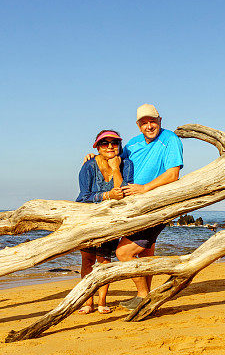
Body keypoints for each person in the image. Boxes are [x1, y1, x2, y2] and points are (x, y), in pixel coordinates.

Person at [116, 104, 183, 310]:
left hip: (157, 207)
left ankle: (143, 296)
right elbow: (115, 162)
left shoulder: (170, 139)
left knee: (123, 253)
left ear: (160, 120)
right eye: (144, 122)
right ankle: (144, 295)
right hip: (135, 207)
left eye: (152, 121)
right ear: (138, 125)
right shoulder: (132, 144)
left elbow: (173, 174)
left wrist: (145, 188)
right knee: (146, 254)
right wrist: (92, 158)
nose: (149, 125)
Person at [75, 129, 134, 314]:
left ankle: (102, 301)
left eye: (114, 143)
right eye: (104, 143)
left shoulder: (127, 164)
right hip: (89, 219)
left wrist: (116, 169)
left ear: (119, 146)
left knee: (105, 260)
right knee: (87, 259)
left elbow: (125, 193)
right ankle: (87, 301)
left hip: (111, 221)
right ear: (97, 147)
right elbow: (83, 197)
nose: (110, 146)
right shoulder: (89, 166)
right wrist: (107, 195)